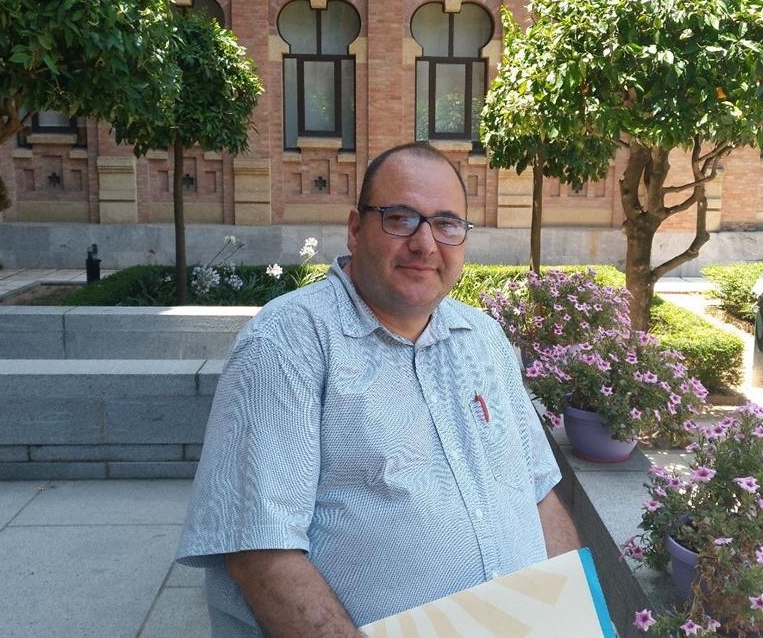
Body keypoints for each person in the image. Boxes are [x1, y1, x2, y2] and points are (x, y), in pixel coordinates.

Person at [176, 143, 581, 637]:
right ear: (355, 228)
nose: (425, 243)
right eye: (400, 218)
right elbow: (261, 552)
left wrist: (574, 617)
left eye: (447, 223)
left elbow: (539, 492)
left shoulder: (485, 339)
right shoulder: (286, 344)